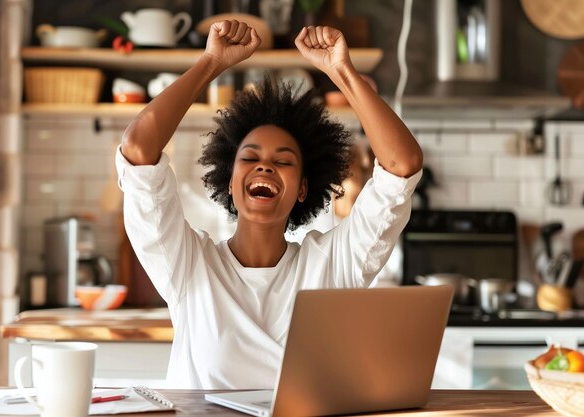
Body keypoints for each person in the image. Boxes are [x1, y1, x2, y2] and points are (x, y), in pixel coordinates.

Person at [116, 20, 423, 389]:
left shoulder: (332, 265)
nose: (265, 165)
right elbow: (138, 151)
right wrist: (210, 63)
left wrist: (341, 71)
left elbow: (401, 167)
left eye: (284, 161)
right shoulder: (188, 265)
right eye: (250, 158)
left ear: (303, 189)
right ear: (230, 182)